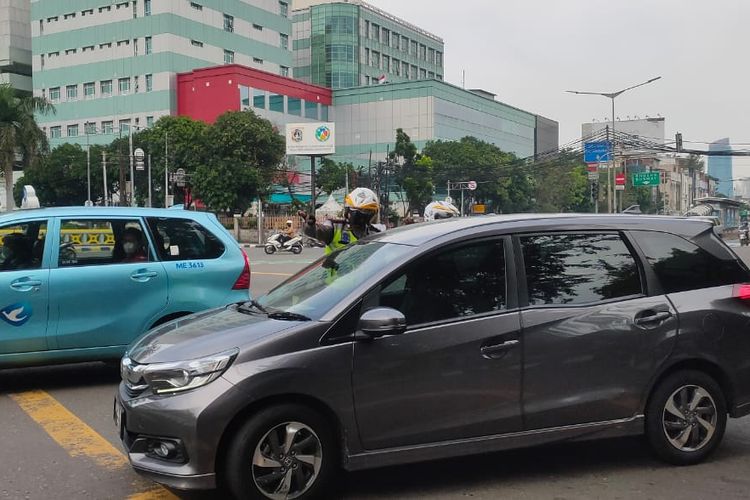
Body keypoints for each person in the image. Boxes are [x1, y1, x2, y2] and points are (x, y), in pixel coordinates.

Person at [300, 187, 383, 255]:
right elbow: (319, 232)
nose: (364, 216)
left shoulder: (375, 234)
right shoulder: (336, 227)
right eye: (362, 211)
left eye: (368, 212)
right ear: (349, 211)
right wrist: (310, 226)